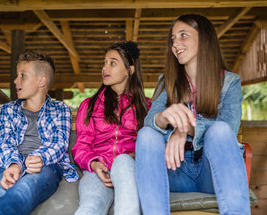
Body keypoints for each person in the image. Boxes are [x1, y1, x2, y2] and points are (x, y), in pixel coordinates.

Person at [135, 14, 250, 215]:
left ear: (204, 39)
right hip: (175, 170)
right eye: (173, 39)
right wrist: (165, 117)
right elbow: (149, 120)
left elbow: (228, 131)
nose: (175, 44)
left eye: (183, 35)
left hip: (211, 172)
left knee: (220, 130)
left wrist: (184, 128)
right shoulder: (166, 81)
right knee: (147, 134)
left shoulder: (230, 82)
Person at [0, 50, 78, 215]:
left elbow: (59, 143)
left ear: (41, 81)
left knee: (24, 189)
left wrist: (39, 157)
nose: (15, 80)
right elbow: (4, 141)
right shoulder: (7, 110)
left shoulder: (60, 109)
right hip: (7, 163)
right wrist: (14, 164)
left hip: (46, 165)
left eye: (22, 75)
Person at [72, 41, 151, 215]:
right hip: (98, 172)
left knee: (124, 166)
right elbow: (81, 145)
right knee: (90, 208)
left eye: (112, 63)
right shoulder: (89, 105)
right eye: (104, 63)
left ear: (129, 71)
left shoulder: (147, 107)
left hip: (131, 169)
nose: (105, 68)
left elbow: (152, 143)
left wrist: (136, 155)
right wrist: (94, 164)